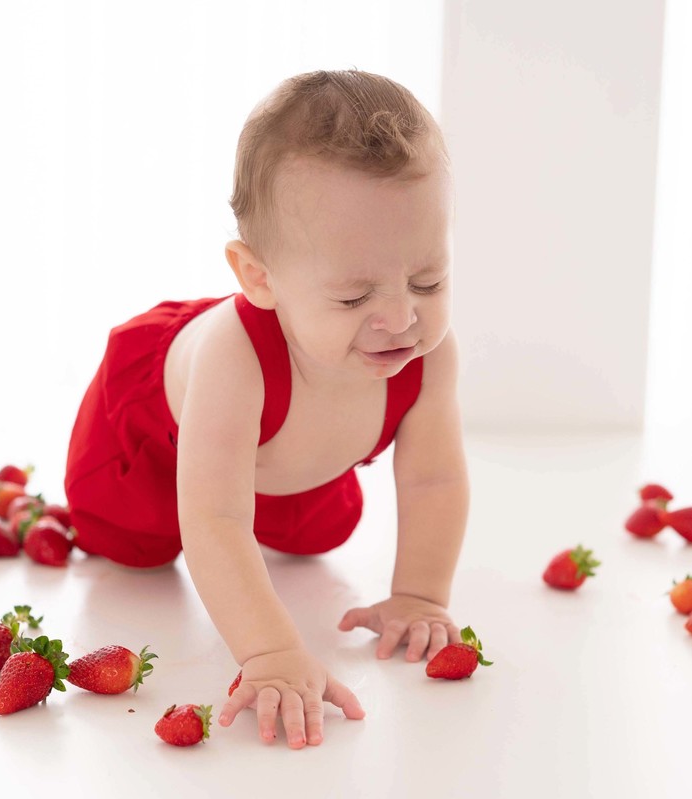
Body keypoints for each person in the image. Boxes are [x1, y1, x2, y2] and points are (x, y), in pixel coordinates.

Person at [65, 69, 469, 749]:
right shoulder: (234, 357)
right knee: (132, 547)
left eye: (428, 280)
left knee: (322, 532)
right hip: (149, 436)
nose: (401, 317)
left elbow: (435, 479)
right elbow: (215, 518)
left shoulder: (429, 354)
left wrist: (421, 595)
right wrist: (272, 651)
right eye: (354, 297)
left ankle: (278, 478)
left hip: (275, 457)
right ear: (258, 278)